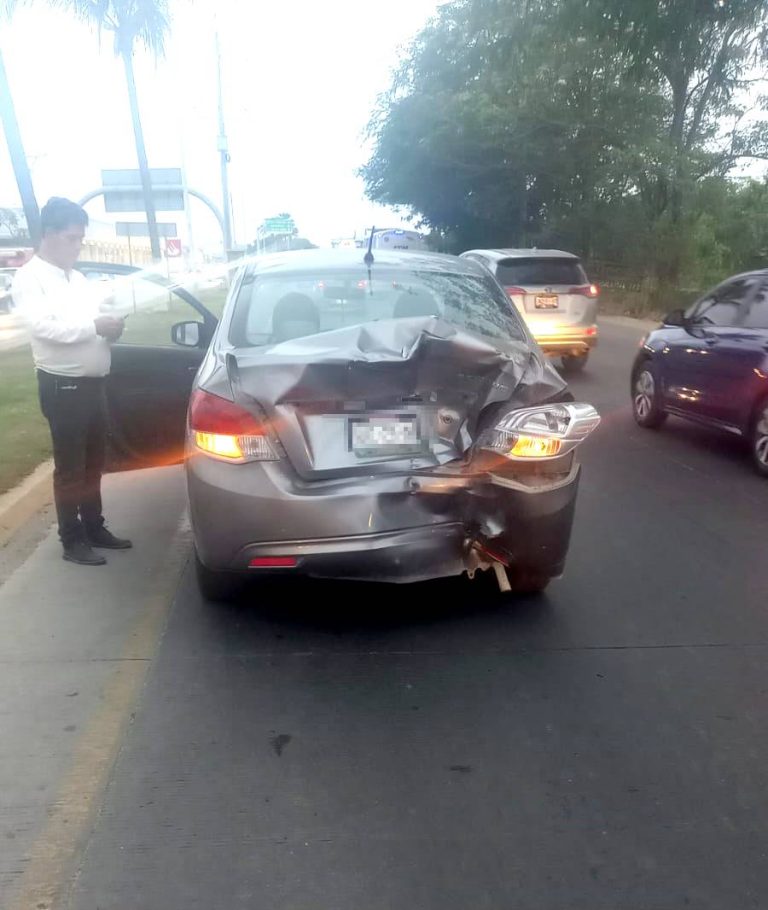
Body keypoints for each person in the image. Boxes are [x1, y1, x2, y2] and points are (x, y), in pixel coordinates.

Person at [12, 197, 132, 566]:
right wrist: (93, 326)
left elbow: (91, 321)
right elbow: (44, 329)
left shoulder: (76, 278)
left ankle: (95, 527)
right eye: (72, 239)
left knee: (94, 462)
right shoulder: (29, 278)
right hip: (62, 386)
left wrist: (109, 329)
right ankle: (72, 540)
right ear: (49, 235)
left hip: (94, 384)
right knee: (70, 467)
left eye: (81, 239)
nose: (78, 246)